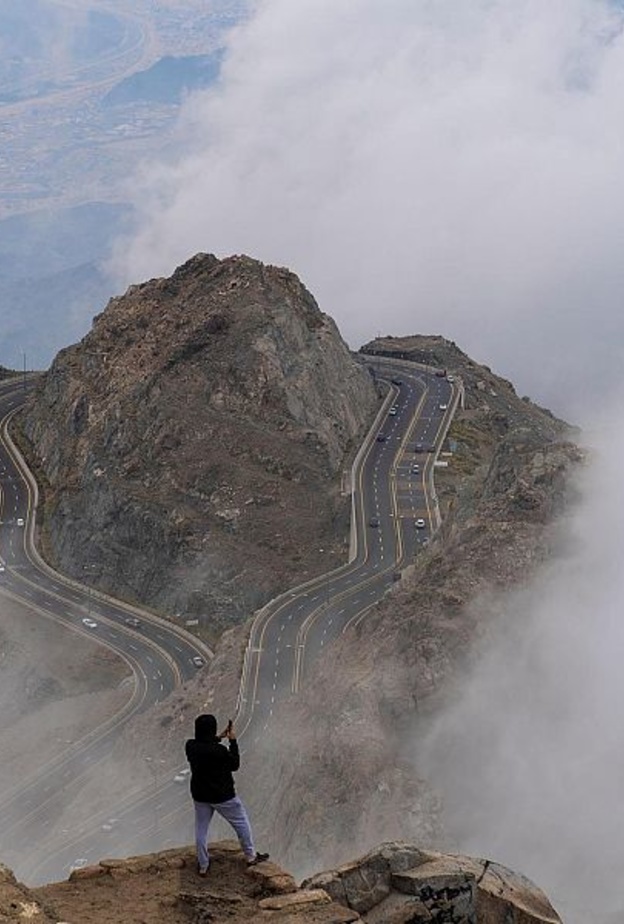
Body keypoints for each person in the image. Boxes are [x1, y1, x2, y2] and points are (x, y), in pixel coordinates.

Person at [185, 714, 269, 876]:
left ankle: (203, 865)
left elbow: (204, 745)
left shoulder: (190, 746)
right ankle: (251, 856)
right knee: (241, 822)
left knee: (201, 829)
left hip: (200, 795)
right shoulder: (220, 751)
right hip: (223, 796)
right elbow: (235, 764)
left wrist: (218, 737)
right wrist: (232, 741)